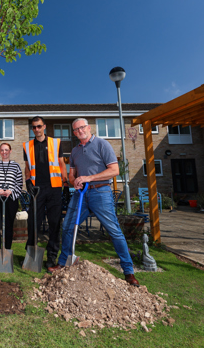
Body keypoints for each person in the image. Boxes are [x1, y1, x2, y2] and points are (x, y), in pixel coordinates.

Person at [51, 118, 139, 286]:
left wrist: (89, 178)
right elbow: (71, 175)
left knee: (114, 231)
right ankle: (63, 263)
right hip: (81, 195)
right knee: (68, 227)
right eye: (76, 130)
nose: (79, 131)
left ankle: (128, 271)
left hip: (101, 192)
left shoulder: (102, 144)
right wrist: (74, 181)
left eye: (82, 128)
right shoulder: (75, 151)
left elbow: (114, 170)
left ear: (89, 128)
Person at [23, 116, 68, 270]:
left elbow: (61, 164)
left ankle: (51, 257)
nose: (36, 129)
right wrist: (28, 180)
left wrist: (66, 183)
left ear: (44, 127)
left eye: (39, 126)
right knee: (33, 223)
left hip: (54, 189)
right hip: (36, 190)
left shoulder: (56, 143)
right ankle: (31, 255)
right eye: (34, 127)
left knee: (55, 224)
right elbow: (27, 166)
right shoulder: (27, 145)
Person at [0, 143, 23, 265]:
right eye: (2, 150)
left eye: (6, 150)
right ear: (0, 152)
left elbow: (19, 182)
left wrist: (11, 191)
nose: (4, 152)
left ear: (10, 151)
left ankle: (7, 254)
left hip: (11, 200)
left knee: (8, 227)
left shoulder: (16, 166)